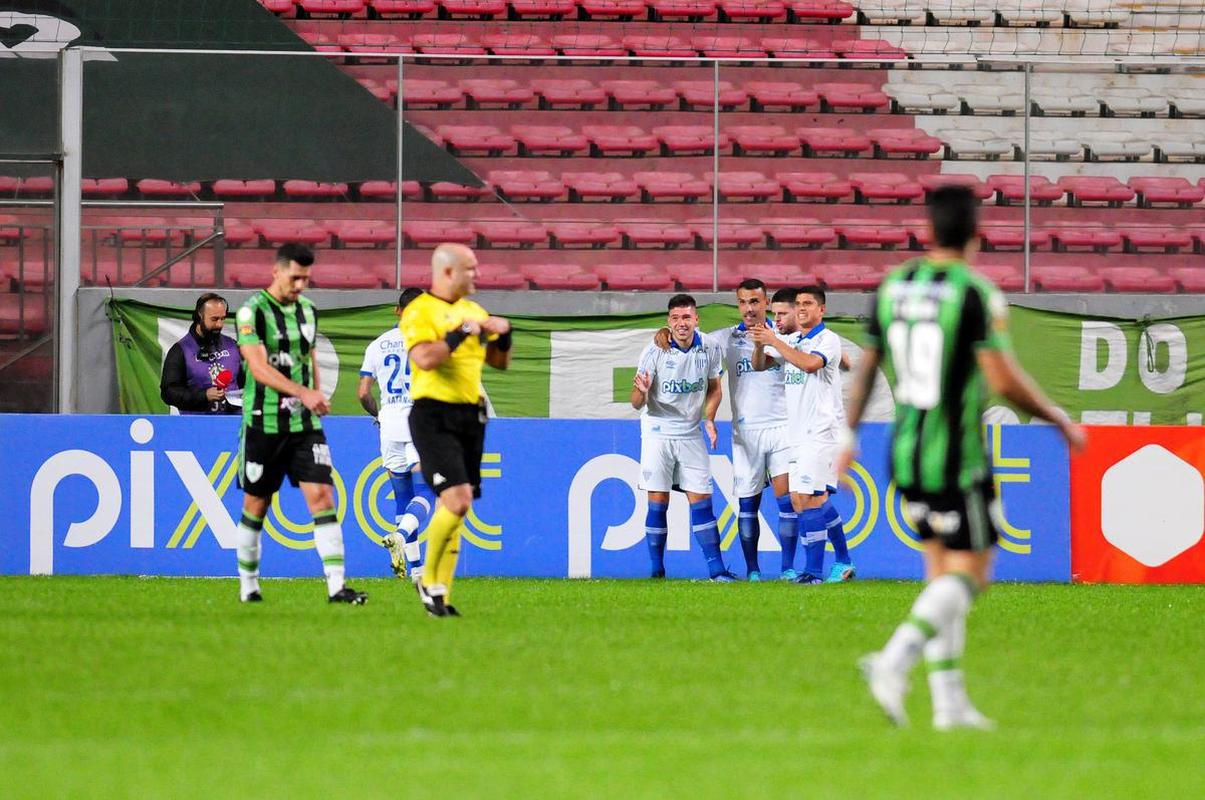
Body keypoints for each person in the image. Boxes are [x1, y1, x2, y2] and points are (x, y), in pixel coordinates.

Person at [840, 186, 1085, 730]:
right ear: (978, 236)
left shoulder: (894, 285)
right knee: (974, 574)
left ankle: (948, 706)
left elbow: (866, 366)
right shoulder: (975, 292)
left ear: (927, 231)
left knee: (940, 575)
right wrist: (1057, 418)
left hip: (904, 449)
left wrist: (846, 437)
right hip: (957, 454)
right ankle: (893, 659)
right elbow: (1000, 379)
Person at [232, 243, 367, 605]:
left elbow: (308, 356)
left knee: (323, 495)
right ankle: (249, 585)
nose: (301, 285)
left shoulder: (308, 310)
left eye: (306, 278)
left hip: (304, 425)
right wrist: (303, 392)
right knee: (256, 504)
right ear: (276, 271)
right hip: (264, 422)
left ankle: (337, 587)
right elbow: (258, 369)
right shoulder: (252, 312)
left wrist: (317, 393)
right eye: (295, 277)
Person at [651, 279, 796, 582]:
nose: (748, 308)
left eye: (754, 302)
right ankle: (753, 572)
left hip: (782, 428)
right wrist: (663, 333)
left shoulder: (783, 337)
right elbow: (690, 336)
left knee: (787, 501)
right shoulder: (725, 339)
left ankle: (788, 569)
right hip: (745, 433)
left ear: (765, 302)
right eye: (743, 302)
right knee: (747, 504)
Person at [402, 244, 512, 617]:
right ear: (448, 272)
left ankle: (440, 598)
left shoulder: (474, 310)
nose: (476, 275)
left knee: (458, 506)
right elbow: (426, 359)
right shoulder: (421, 310)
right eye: (470, 269)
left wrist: (503, 335)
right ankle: (427, 579)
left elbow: (499, 363)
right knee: (458, 499)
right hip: (433, 414)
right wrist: (461, 331)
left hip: (470, 415)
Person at [752, 287, 856, 585]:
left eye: (808, 303)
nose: (801, 308)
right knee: (805, 499)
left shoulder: (828, 340)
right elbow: (760, 365)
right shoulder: (793, 341)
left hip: (820, 430)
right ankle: (844, 561)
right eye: (798, 303)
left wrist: (775, 341)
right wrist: (762, 344)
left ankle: (813, 573)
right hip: (797, 432)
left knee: (807, 497)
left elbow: (810, 365)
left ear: (821, 310)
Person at [632, 294, 736, 582]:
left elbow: (715, 388)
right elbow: (635, 402)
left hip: (690, 432)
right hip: (657, 431)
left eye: (687, 317)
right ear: (669, 321)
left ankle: (717, 571)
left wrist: (710, 418)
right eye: (676, 318)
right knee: (658, 500)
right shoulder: (653, 351)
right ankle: (657, 571)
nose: (681, 323)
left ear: (696, 319)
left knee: (702, 499)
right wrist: (641, 390)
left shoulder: (710, 347)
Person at [358, 288, 434, 582]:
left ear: (397, 311)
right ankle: (401, 535)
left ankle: (416, 571)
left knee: (403, 498)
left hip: (389, 422)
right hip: (419, 421)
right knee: (427, 491)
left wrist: (377, 414)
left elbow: (363, 393)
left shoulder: (377, 345)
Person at [160, 292, 243, 414]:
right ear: (200, 315)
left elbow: (247, 385)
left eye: (222, 319)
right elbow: (168, 392)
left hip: (232, 424)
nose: (219, 324)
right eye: (214, 319)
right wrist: (203, 396)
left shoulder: (233, 346)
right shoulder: (180, 350)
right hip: (197, 426)